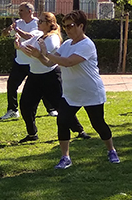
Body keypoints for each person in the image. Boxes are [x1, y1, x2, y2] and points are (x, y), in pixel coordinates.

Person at [24, 9, 120, 169]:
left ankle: (111, 150)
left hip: (90, 92)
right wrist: (39, 55)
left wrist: (45, 53)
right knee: (62, 121)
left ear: (81, 26)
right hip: (70, 93)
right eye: (65, 26)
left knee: (98, 124)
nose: (68, 29)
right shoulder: (67, 44)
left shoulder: (87, 44)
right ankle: (65, 157)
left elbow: (68, 62)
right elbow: (50, 63)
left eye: (71, 26)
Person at [14, 12, 87, 143]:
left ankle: (79, 131)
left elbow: (44, 55)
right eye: (39, 21)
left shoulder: (52, 38)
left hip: (50, 76)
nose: (38, 23)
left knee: (60, 105)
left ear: (50, 24)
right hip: (34, 75)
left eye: (41, 21)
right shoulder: (38, 34)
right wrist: (19, 46)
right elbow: (27, 48)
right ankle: (32, 134)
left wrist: (27, 50)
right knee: (25, 105)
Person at [0, 2, 57, 120]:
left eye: (21, 11)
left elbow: (29, 36)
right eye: (19, 10)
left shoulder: (37, 23)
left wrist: (17, 30)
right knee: (11, 85)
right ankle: (12, 110)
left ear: (29, 11)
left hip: (32, 61)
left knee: (41, 87)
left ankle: (51, 109)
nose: (19, 13)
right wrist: (7, 30)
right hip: (20, 61)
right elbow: (4, 35)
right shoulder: (17, 23)